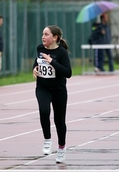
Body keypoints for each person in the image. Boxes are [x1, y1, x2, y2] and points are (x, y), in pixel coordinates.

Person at [32, 25, 72, 163]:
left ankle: (61, 147)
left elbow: (68, 73)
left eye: (46, 34)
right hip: (43, 88)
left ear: (55, 37)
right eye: (43, 34)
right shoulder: (40, 48)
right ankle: (47, 139)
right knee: (44, 111)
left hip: (59, 91)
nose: (43, 37)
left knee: (59, 121)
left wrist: (52, 62)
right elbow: (36, 63)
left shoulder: (62, 53)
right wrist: (34, 69)